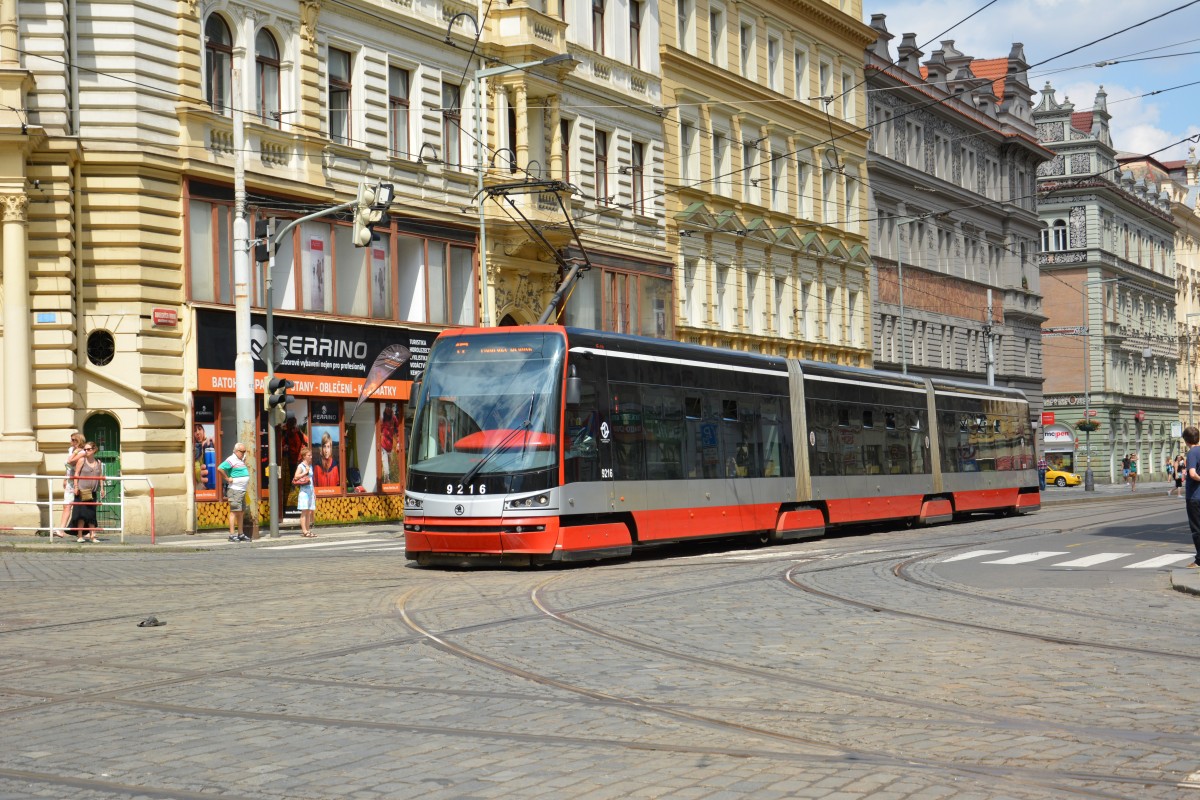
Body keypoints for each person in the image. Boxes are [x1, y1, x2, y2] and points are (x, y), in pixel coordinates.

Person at [53, 432, 86, 538]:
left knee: (81, 507)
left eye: (73, 440)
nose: (70, 442)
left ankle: (85, 531)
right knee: (66, 505)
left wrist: (75, 452)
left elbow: (70, 461)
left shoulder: (83, 451)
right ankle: (61, 530)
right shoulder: (70, 450)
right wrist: (65, 478)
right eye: (71, 439)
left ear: (78, 440)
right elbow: (67, 466)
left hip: (78, 483)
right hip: (70, 481)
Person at [69, 442, 103, 543]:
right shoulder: (82, 460)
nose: (86, 451)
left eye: (88, 449)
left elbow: (100, 475)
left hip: (92, 491)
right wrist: (75, 486)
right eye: (85, 449)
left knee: (92, 514)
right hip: (82, 491)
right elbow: (76, 473)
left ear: (94, 450)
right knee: (81, 514)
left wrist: (102, 488)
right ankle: (80, 536)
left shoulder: (98, 462)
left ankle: (93, 536)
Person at [218, 442, 251, 542]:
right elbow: (220, 468)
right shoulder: (231, 459)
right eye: (242, 452)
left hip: (241, 490)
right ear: (236, 451)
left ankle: (240, 533)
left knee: (240, 512)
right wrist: (227, 478)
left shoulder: (240, 459)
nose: (244, 453)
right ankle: (232, 535)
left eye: (245, 451)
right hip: (235, 489)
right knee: (234, 512)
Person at [292, 446, 316, 537]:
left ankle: (308, 530)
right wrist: (305, 472)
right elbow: (296, 477)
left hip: (310, 491)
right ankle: (304, 531)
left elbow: (311, 480)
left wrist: (314, 492)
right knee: (304, 511)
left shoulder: (310, 466)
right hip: (304, 492)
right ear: (304, 456)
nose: (311, 457)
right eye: (309, 455)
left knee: (309, 511)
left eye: (311, 455)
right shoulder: (301, 466)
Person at [1185, 427, 1200, 568]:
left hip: (1195, 496)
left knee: (1196, 529)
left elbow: (1193, 474)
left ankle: (1199, 560)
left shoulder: (1192, 453)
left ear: (1186, 440)